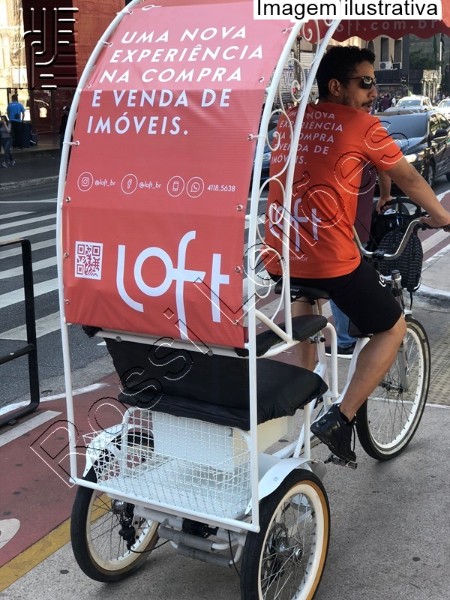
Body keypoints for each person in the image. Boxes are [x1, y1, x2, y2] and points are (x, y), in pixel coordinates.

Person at [264, 46, 450, 463]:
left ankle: (300, 409)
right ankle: (340, 419)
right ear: (336, 86)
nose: (374, 92)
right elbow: (408, 177)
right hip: (329, 260)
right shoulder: (363, 125)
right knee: (391, 327)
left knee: (306, 317)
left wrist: (378, 192)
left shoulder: (291, 117)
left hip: (281, 253)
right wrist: (442, 216)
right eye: (366, 83)